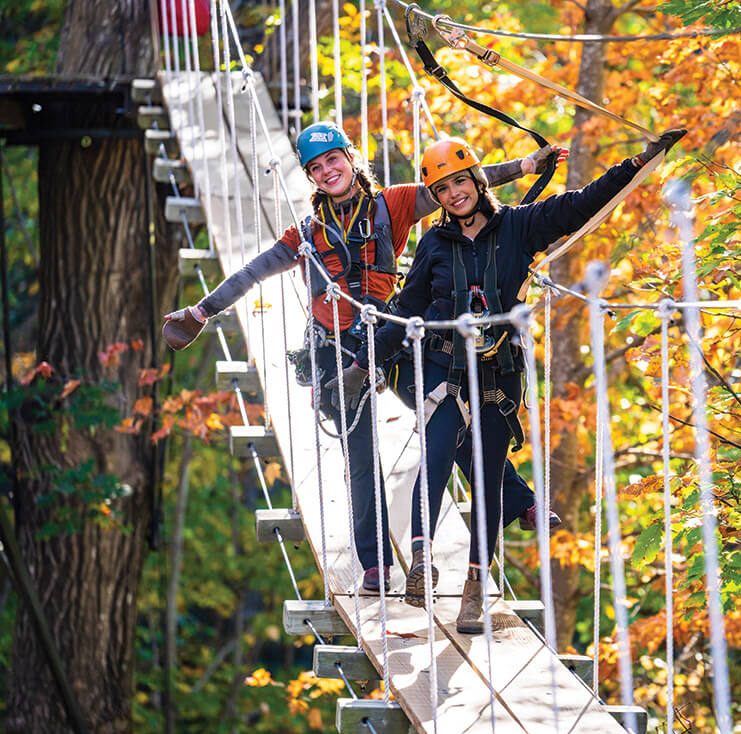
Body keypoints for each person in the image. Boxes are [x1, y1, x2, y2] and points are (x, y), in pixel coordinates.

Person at [163, 122, 563, 592]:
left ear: (351, 159)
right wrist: (202, 311)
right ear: (310, 178)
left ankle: (520, 502)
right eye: (316, 167)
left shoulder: (392, 206)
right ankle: (376, 564)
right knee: (360, 455)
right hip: (334, 349)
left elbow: (458, 182)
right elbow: (253, 272)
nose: (327, 171)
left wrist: (525, 166)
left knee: (449, 420)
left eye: (333, 159)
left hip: (389, 337)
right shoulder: (305, 235)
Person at [368, 129, 686, 631]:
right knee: (436, 455)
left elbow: (581, 204)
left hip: (498, 373)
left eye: (460, 181)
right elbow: (407, 307)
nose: (454, 194)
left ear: (477, 180)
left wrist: (637, 163)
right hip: (446, 369)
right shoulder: (433, 244)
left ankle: (475, 588)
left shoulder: (520, 226)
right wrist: (364, 362)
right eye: (443, 188)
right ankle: (421, 561)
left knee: (487, 476)